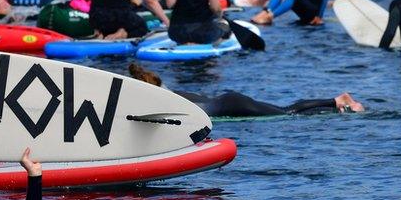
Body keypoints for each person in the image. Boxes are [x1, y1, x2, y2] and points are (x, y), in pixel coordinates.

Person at [129, 63, 365, 117]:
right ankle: (335, 101)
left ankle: (336, 102)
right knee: (286, 109)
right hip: (229, 99)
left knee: (287, 113)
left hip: (232, 105)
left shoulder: (164, 101)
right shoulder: (172, 94)